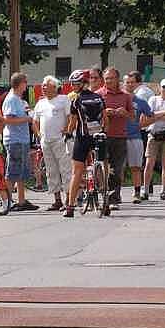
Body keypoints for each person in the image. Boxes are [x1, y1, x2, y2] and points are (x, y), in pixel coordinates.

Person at [63, 69, 107, 218]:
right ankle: (105, 200)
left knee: (77, 171)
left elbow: (73, 122)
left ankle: (69, 207)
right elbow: (105, 119)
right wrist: (102, 131)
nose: (73, 87)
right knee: (100, 165)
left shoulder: (76, 100)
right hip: (98, 136)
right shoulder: (99, 98)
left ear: (81, 84)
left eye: (75, 84)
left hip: (82, 137)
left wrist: (68, 134)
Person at [96, 67, 134, 209]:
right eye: (106, 78)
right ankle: (101, 194)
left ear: (117, 79)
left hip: (119, 136)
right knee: (101, 167)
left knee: (117, 169)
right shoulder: (98, 94)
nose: (109, 81)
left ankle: (114, 198)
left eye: (111, 78)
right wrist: (104, 112)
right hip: (102, 136)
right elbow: (92, 115)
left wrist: (124, 113)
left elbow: (133, 117)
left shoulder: (125, 96)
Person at [33, 76, 72, 211]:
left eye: (46, 85)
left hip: (60, 140)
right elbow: (35, 121)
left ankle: (69, 199)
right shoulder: (40, 103)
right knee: (51, 170)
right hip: (46, 141)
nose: (43, 87)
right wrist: (38, 134)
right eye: (43, 85)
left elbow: (70, 117)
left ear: (55, 87)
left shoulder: (63, 99)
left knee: (65, 169)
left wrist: (66, 130)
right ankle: (57, 200)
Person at [2, 73, 39, 211]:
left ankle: (21, 200)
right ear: (20, 84)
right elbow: (8, 120)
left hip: (22, 139)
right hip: (14, 140)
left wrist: (27, 113)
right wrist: (27, 119)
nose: (26, 84)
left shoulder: (18, 99)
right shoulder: (11, 99)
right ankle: (8, 201)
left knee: (21, 172)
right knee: (12, 171)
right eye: (25, 82)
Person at [142, 78, 165, 201]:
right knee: (149, 163)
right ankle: (145, 190)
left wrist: (158, 115)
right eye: (164, 87)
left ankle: (163, 191)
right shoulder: (153, 99)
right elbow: (150, 115)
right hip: (153, 134)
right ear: (160, 88)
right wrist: (163, 113)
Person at [124, 71, 154, 203]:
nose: (130, 85)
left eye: (132, 82)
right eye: (127, 82)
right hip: (118, 137)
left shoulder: (140, 101)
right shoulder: (119, 99)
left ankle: (136, 192)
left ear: (137, 84)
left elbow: (151, 116)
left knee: (135, 166)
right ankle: (116, 193)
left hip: (135, 137)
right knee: (118, 168)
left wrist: (140, 125)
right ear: (123, 84)